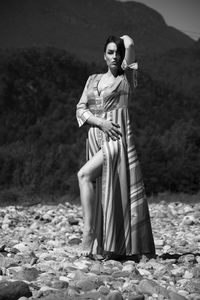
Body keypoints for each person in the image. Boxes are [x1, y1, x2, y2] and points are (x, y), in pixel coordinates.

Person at [76, 34, 155, 259]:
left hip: (117, 139)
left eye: (117, 53)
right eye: (110, 52)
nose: (115, 56)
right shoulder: (92, 79)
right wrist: (99, 121)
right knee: (107, 192)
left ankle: (88, 233)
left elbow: (129, 42)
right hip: (95, 137)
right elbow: (80, 109)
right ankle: (112, 246)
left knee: (84, 175)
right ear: (103, 55)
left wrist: (118, 41)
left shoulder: (126, 77)